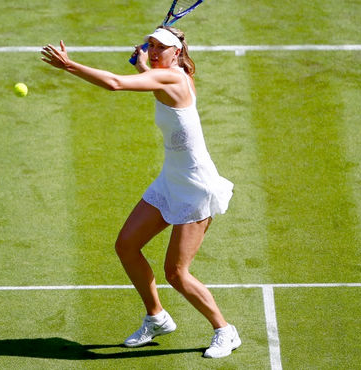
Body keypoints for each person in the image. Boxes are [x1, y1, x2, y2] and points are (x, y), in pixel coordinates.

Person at [41, 26, 240, 359]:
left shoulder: (175, 79)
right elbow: (150, 82)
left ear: (177, 53)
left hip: (195, 187)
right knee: (126, 245)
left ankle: (224, 330)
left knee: (176, 273)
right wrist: (142, 66)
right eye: (151, 44)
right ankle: (157, 317)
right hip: (170, 181)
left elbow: (115, 84)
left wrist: (70, 66)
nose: (154, 50)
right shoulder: (165, 76)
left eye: (161, 47)